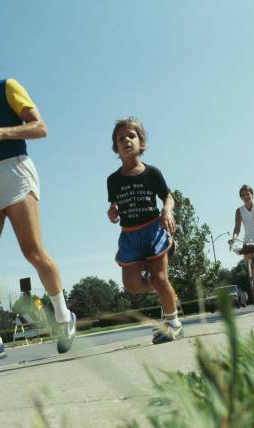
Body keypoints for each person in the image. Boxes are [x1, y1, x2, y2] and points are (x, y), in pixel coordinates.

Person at [0, 36, 76, 365]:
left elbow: (40, 128)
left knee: (33, 252)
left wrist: (3, 133)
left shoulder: (7, 86)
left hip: (15, 172)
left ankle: (64, 316)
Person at [106, 117, 181, 344]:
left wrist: (167, 212)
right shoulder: (113, 180)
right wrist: (113, 210)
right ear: (116, 148)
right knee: (131, 285)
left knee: (159, 277)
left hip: (153, 230)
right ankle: (166, 292)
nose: (126, 140)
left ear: (142, 143)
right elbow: (115, 202)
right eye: (121, 138)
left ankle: (173, 323)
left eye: (131, 136)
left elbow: (168, 197)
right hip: (129, 235)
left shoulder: (152, 173)